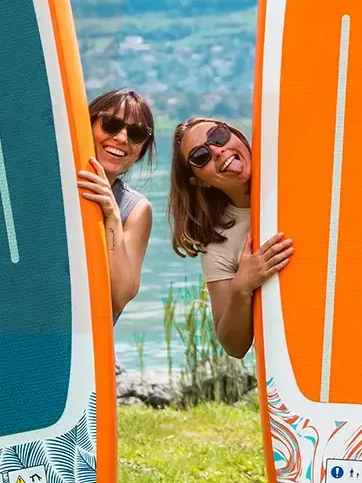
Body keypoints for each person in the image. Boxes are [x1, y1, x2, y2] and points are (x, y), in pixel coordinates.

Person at [164, 117, 294, 358]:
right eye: (200, 156)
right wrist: (242, 287)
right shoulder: (219, 245)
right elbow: (234, 346)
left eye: (218, 136)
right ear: (200, 182)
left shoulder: (294, 166)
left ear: (236, 135)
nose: (216, 150)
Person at [73, 88, 158, 321]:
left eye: (136, 134)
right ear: (88, 125)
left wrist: (112, 216)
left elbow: (119, 297)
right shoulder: (53, 185)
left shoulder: (135, 208)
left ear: (140, 151)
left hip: (87, 339)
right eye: (111, 124)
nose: (121, 138)